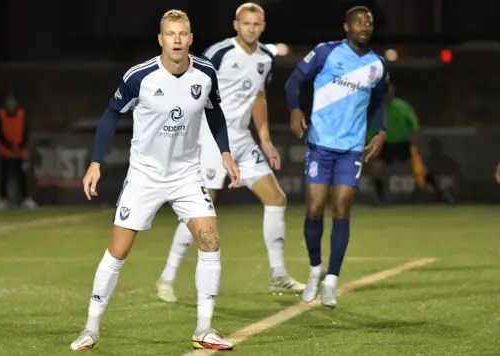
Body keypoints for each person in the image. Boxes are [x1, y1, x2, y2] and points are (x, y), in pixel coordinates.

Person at [68, 10, 239, 352]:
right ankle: (91, 328)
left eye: (182, 34)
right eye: (170, 34)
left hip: (187, 175)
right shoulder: (140, 77)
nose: (177, 39)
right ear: (160, 40)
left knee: (210, 241)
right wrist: (95, 163)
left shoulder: (204, 73)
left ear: (190, 39)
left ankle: (205, 329)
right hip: (145, 176)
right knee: (118, 252)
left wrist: (225, 152)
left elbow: (214, 110)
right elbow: (111, 113)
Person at [155, 2, 305, 304]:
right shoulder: (219, 53)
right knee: (201, 207)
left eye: (256, 24)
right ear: (236, 25)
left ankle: (278, 274)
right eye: (245, 23)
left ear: (262, 26)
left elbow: (259, 97)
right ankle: (167, 277)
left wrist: (264, 139)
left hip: (241, 140)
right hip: (210, 139)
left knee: (276, 198)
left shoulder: (266, 56)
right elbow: (188, 83)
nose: (251, 28)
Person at [285, 6, 389, 308]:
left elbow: (379, 101)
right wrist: (294, 109)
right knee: (315, 208)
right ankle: (316, 268)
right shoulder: (325, 52)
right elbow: (293, 82)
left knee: (342, 205)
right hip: (320, 143)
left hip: (352, 147)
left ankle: (332, 279)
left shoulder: (378, 65)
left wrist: (379, 131)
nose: (363, 26)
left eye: (368, 22)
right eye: (358, 21)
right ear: (346, 27)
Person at [366, 82, 455, 204]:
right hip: (384, 145)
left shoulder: (402, 106)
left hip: (403, 143)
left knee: (420, 168)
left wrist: (414, 142)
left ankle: (441, 193)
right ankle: (380, 198)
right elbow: (370, 129)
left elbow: (414, 126)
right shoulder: (375, 107)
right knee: (375, 168)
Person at [0, 92, 37, 209]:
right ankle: (3, 199)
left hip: (20, 152)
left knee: (22, 176)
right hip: (5, 151)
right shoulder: (1, 114)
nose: (11, 104)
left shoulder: (21, 114)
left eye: (12, 102)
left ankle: (25, 199)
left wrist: (20, 146)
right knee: (4, 176)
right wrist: (9, 146)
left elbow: (26, 131)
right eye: (9, 102)